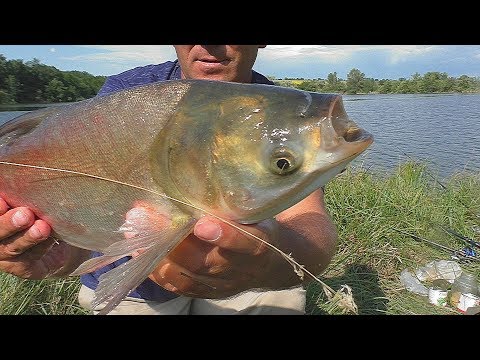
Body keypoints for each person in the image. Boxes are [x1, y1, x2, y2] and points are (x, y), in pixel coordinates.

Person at [0, 45, 338, 315]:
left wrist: (268, 265)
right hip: (133, 287)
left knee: (277, 300)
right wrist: (53, 255)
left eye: (282, 162)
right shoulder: (128, 93)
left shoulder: (283, 109)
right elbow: (87, 227)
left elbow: (309, 222)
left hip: (250, 283)